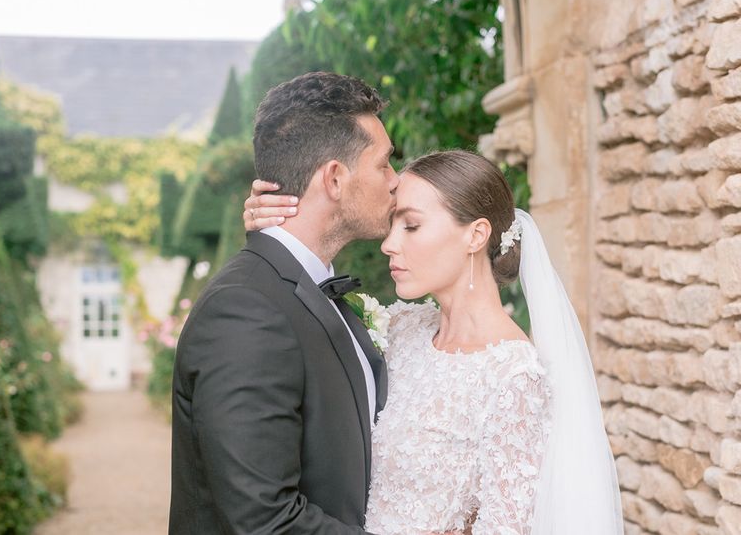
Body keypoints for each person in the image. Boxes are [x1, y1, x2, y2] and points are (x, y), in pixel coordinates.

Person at [245, 149, 624, 534]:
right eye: (393, 225)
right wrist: (279, 235)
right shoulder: (401, 328)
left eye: (410, 226)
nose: (388, 244)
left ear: (476, 235)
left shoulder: (513, 377)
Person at [169, 72, 399, 534]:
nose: (396, 181)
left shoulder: (310, 291)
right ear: (334, 178)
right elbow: (264, 520)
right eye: (384, 164)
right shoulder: (244, 312)